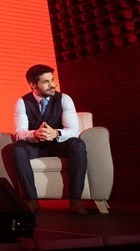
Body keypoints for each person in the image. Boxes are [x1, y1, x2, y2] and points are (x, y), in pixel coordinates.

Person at [13, 64, 88, 216]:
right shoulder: (22, 102)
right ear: (33, 85)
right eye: (46, 82)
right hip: (36, 146)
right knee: (17, 148)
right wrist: (35, 134)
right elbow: (19, 132)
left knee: (78, 144)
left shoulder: (64, 99)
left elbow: (74, 130)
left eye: (52, 80)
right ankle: (32, 201)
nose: (52, 85)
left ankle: (75, 201)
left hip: (58, 144)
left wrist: (56, 133)